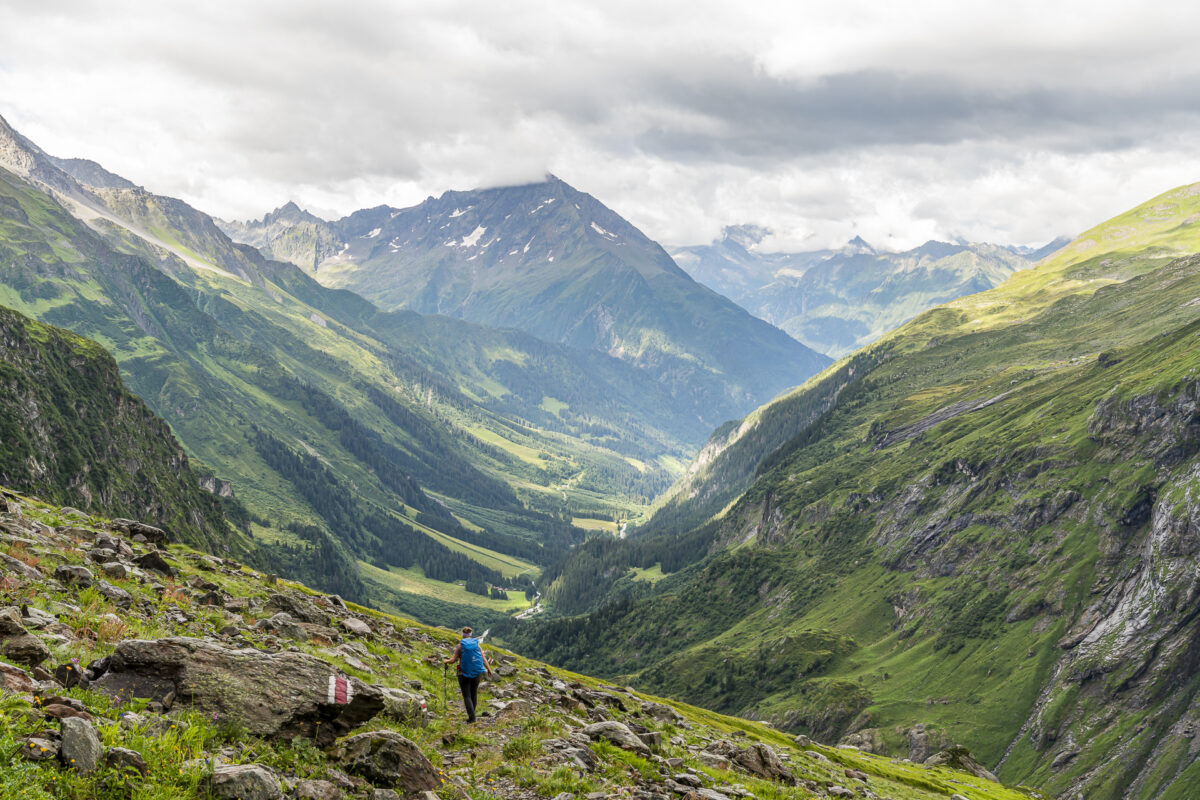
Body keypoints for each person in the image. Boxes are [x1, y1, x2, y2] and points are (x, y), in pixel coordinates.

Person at [443, 626, 493, 723]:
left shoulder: (460, 646)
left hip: (463, 674)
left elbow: (453, 660)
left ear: (463, 635)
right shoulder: (477, 645)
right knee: (473, 694)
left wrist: (446, 661)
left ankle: (472, 718)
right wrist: (489, 669)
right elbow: (483, 658)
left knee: (467, 696)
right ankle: (472, 715)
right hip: (476, 673)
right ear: (470, 635)